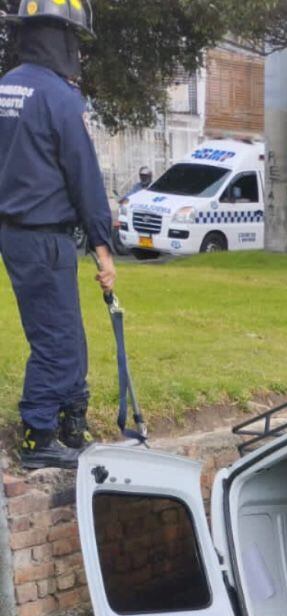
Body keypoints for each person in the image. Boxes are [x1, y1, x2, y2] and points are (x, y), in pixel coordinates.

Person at [0, 0, 116, 470]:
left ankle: (73, 419)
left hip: (14, 232)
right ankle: (39, 433)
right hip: (45, 234)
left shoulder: (5, 88)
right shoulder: (61, 98)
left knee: (63, 329)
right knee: (58, 340)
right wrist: (103, 247)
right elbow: (83, 176)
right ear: (61, 38)